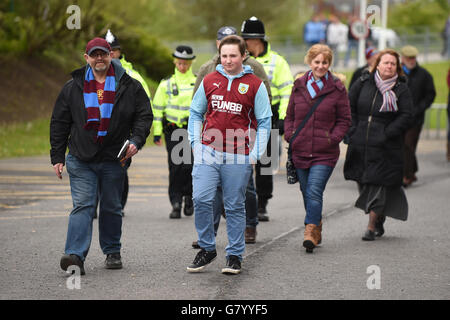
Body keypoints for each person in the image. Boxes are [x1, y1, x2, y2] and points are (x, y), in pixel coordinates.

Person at [50, 37, 152, 275]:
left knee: (111, 206)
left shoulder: (129, 84)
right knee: (83, 205)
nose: (99, 58)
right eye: (94, 55)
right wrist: (57, 156)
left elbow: (144, 116)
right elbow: (59, 122)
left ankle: (112, 251)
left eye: (103, 54)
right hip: (81, 157)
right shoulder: (72, 86)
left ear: (111, 55)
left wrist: (136, 141)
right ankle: (75, 255)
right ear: (86, 58)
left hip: (114, 158)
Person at [187, 35, 271, 274]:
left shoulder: (255, 84)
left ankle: (234, 255)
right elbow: (195, 113)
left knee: (234, 205)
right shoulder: (210, 79)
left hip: (239, 154)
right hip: (208, 151)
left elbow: (265, 121)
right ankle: (207, 247)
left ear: (243, 55)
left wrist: (255, 153)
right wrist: (195, 142)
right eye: (224, 56)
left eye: (233, 55)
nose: (228, 60)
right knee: (201, 199)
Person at [284, 44, 351, 253]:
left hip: (325, 152)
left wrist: (333, 138)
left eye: (325, 62)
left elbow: (345, 119)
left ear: (329, 64)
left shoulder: (338, 88)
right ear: (309, 62)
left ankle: (310, 230)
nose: (321, 66)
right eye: (317, 62)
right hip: (300, 149)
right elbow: (290, 116)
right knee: (306, 191)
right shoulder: (299, 85)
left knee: (314, 190)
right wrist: (290, 135)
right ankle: (316, 224)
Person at [344, 49, 413, 241]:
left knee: (377, 185)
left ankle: (371, 227)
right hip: (361, 144)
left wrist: (387, 133)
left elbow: (407, 115)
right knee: (364, 183)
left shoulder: (401, 89)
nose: (389, 66)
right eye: (386, 62)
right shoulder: (363, 82)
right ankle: (379, 215)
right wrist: (353, 130)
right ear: (378, 64)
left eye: (393, 63)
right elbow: (349, 106)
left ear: (397, 67)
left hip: (386, 147)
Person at [241, 16, 294, 221]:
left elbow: (287, 90)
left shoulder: (277, 62)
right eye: (243, 38)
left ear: (260, 40)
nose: (245, 42)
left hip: (269, 116)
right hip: (244, 115)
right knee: (239, 162)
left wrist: (283, 118)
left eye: (249, 38)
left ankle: (262, 203)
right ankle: (241, 201)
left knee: (265, 163)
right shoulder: (238, 59)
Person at [103, 29, 153, 217]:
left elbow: (144, 106)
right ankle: (95, 204)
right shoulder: (92, 73)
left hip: (123, 133)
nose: (111, 54)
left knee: (120, 170)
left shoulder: (131, 74)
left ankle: (118, 204)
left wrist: (137, 134)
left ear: (118, 52)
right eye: (108, 51)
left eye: (113, 51)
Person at [153, 45, 196, 219]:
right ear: (175, 62)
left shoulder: (197, 82)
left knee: (191, 166)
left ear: (190, 63)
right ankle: (176, 202)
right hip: (173, 131)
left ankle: (189, 198)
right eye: (179, 63)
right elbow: (157, 109)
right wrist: (156, 132)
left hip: (192, 131)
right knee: (175, 167)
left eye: (185, 63)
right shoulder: (166, 84)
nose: (182, 66)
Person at [400, 45, 436, 187]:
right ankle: (412, 170)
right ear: (402, 58)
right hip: (399, 117)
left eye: (413, 57)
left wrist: (419, 109)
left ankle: (406, 176)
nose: (412, 60)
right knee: (401, 146)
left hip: (415, 119)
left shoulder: (424, 75)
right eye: (409, 58)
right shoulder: (397, 74)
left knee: (408, 145)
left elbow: (430, 95)